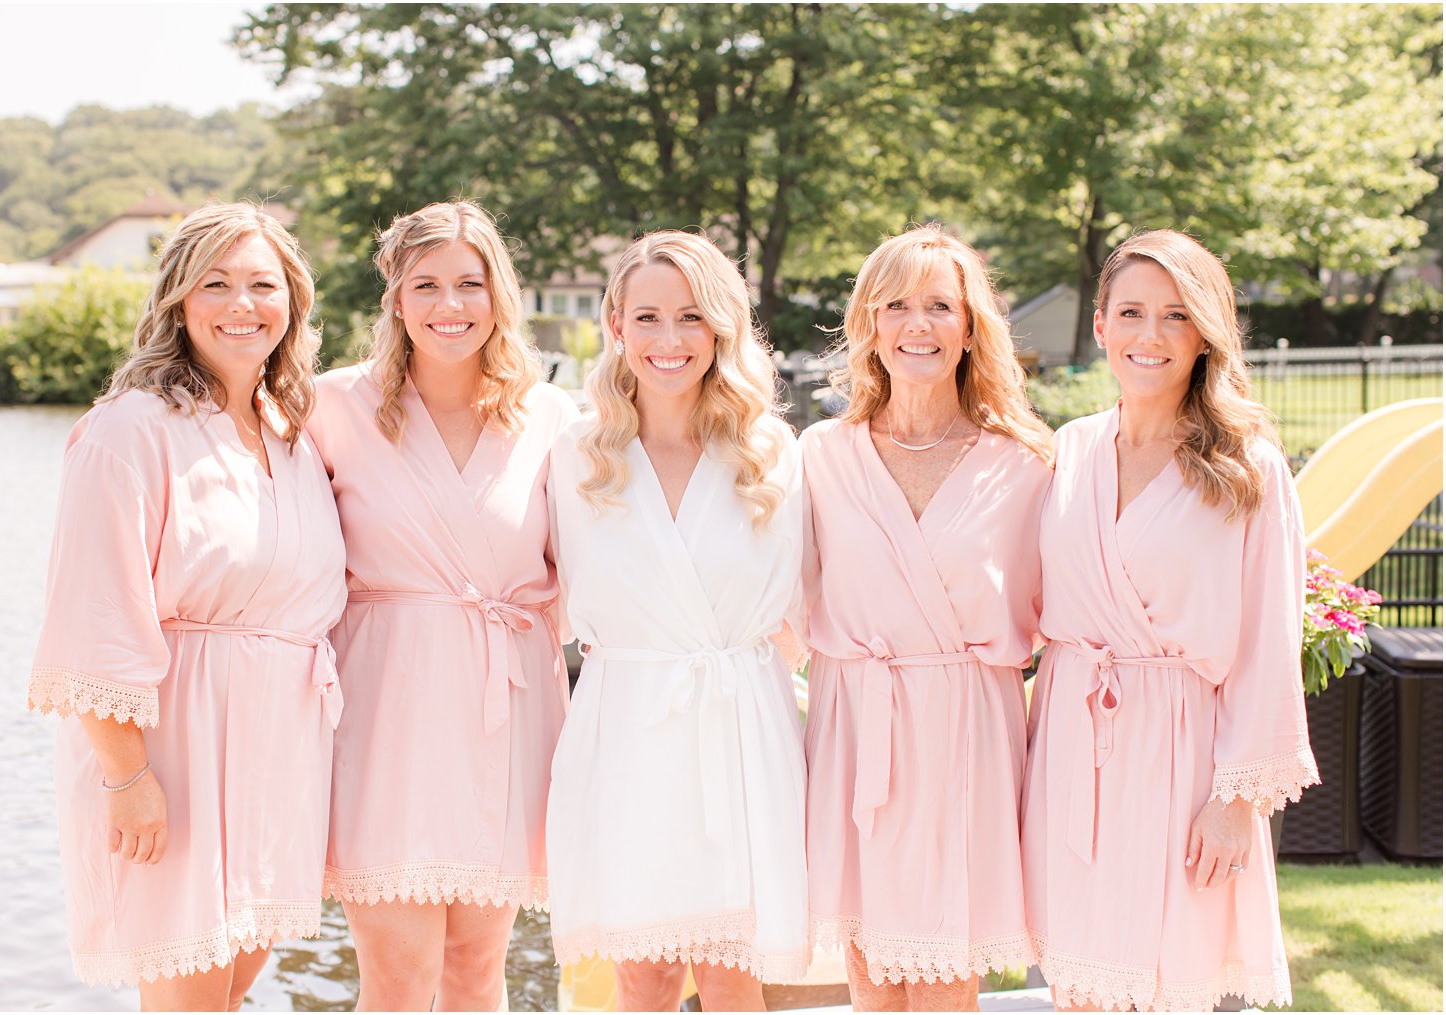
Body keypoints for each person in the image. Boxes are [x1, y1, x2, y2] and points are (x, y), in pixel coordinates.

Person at [27, 203, 346, 1011]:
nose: (243, 304)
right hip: (174, 748)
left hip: (279, 750)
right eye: (217, 283)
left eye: (262, 285)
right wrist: (126, 774)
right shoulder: (131, 431)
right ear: (178, 300)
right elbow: (90, 618)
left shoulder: (290, 434)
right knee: (187, 996)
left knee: (233, 986)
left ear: (293, 304)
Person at [1021, 230, 1317, 1011]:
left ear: (1205, 333)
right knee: (1076, 987)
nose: (1150, 336)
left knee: (1165, 987)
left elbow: (1268, 643)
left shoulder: (1247, 467)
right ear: (1100, 326)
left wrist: (1235, 803)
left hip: (1186, 756)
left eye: (1176, 316)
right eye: (1132, 312)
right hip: (1071, 748)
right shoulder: (1069, 450)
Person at [307, 201, 577, 1011]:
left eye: (470, 283)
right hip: (385, 709)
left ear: (500, 296)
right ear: (395, 297)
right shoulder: (331, 408)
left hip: (508, 709)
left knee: (475, 971)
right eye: (426, 285)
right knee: (396, 978)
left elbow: (588, 573)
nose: (449, 305)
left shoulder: (552, 418)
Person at [545, 231, 809, 1011]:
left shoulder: (769, 452)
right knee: (644, 974)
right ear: (616, 326)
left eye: (691, 317)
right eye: (648, 317)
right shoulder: (575, 455)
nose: (669, 339)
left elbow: (799, 608)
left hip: (736, 730)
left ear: (721, 329)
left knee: (733, 974)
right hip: (627, 729)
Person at [800, 224, 1054, 1011]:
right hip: (854, 728)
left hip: (963, 735)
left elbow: (1074, 612)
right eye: (897, 304)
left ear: (970, 326)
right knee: (871, 983)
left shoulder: (1026, 463)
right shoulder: (819, 455)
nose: (918, 324)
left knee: (946, 983)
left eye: (940, 305)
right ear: (869, 325)